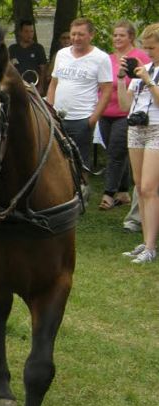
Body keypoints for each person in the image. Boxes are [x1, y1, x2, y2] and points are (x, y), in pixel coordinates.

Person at [47, 18, 112, 174]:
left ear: (91, 35)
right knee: (55, 159)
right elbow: (53, 84)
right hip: (57, 118)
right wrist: (49, 109)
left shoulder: (100, 58)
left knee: (80, 163)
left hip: (82, 119)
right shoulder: (62, 54)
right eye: (73, 34)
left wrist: (92, 119)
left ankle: (82, 195)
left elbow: (107, 90)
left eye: (81, 34)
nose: (76, 38)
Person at [117, 23, 159, 264]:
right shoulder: (143, 70)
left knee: (150, 188)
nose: (148, 52)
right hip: (136, 129)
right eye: (146, 47)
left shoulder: (148, 73)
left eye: (152, 47)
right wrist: (123, 79)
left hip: (156, 129)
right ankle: (146, 241)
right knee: (140, 187)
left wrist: (149, 80)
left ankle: (151, 247)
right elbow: (124, 106)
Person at [98, 20, 150, 210]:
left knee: (115, 153)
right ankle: (123, 191)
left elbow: (147, 81)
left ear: (131, 37)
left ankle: (108, 194)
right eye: (115, 35)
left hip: (127, 112)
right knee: (117, 152)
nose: (117, 38)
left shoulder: (140, 57)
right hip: (106, 111)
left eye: (121, 35)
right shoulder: (108, 58)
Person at [8, 19, 47, 93]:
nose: (29, 34)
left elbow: (43, 69)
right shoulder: (12, 48)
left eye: (31, 31)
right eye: (26, 31)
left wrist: (41, 86)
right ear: (20, 32)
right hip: (17, 87)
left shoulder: (38, 48)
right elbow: (8, 68)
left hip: (34, 87)